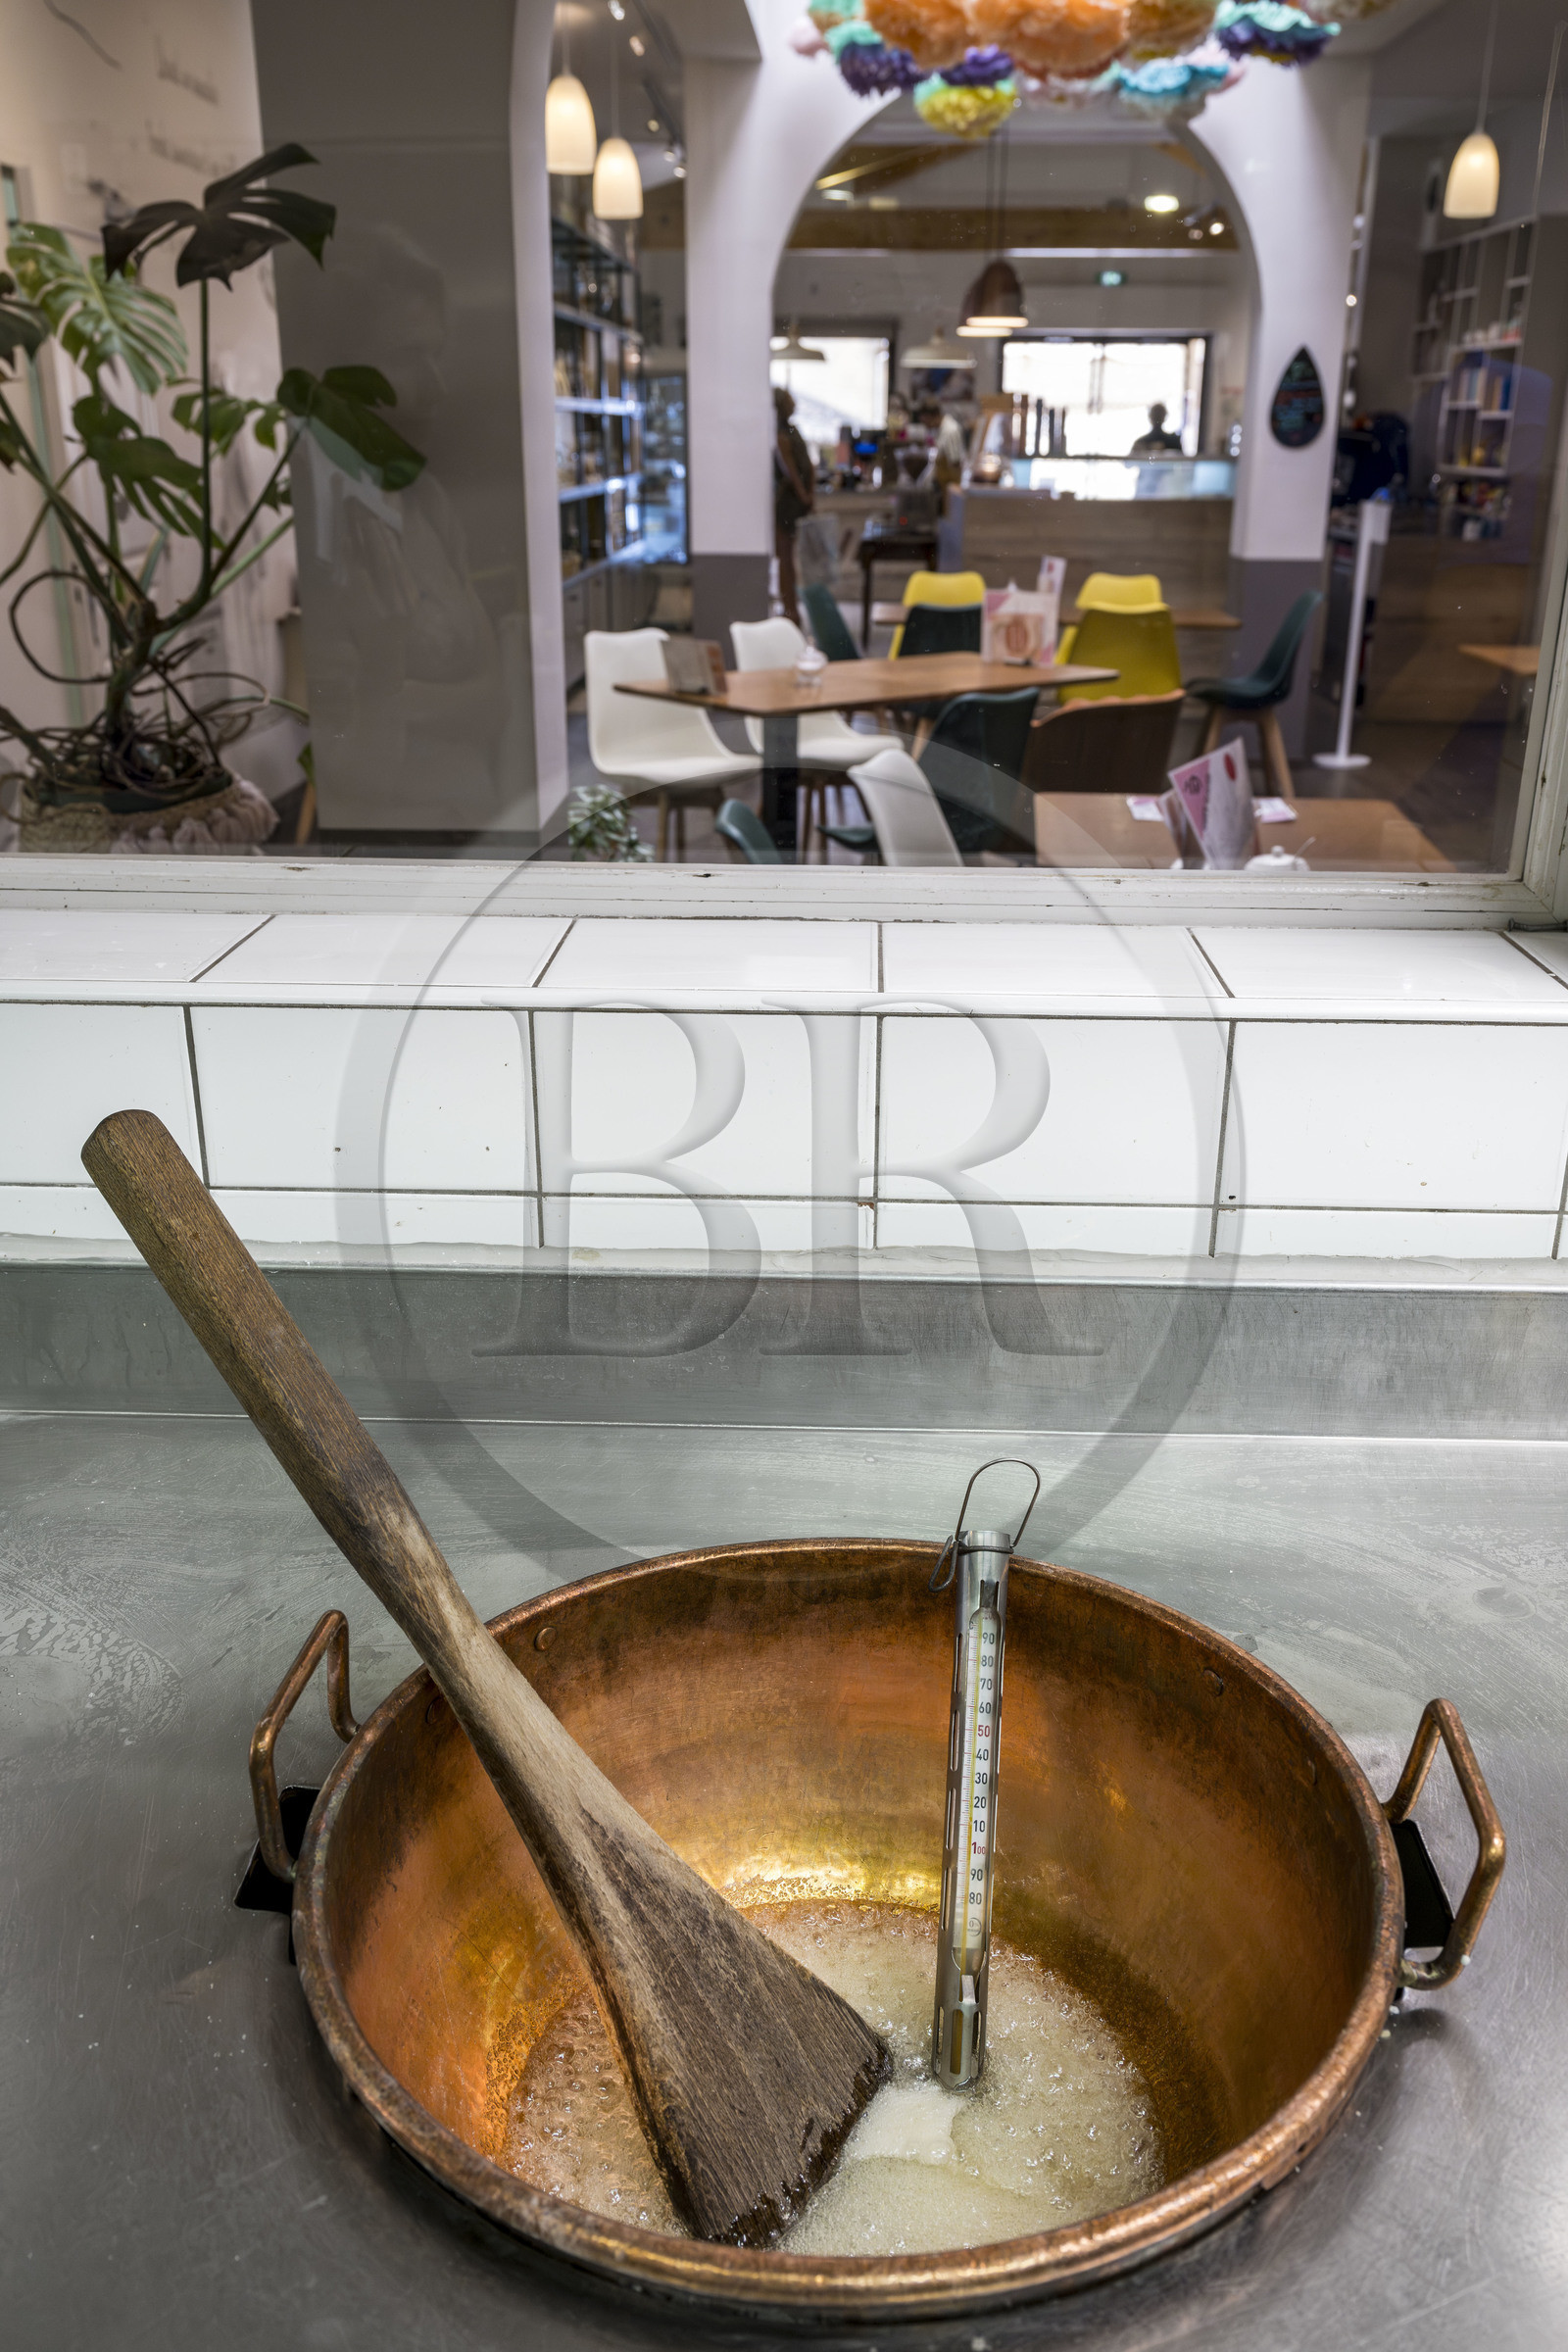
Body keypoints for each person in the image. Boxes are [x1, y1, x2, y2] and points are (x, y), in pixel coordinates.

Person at [772, 385, 814, 622]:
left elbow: (807, 465)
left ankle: (792, 607)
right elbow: (791, 471)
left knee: (789, 558)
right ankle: (789, 609)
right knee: (785, 558)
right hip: (788, 501)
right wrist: (805, 495)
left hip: (797, 500)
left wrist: (809, 495)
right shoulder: (781, 433)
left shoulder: (791, 430)